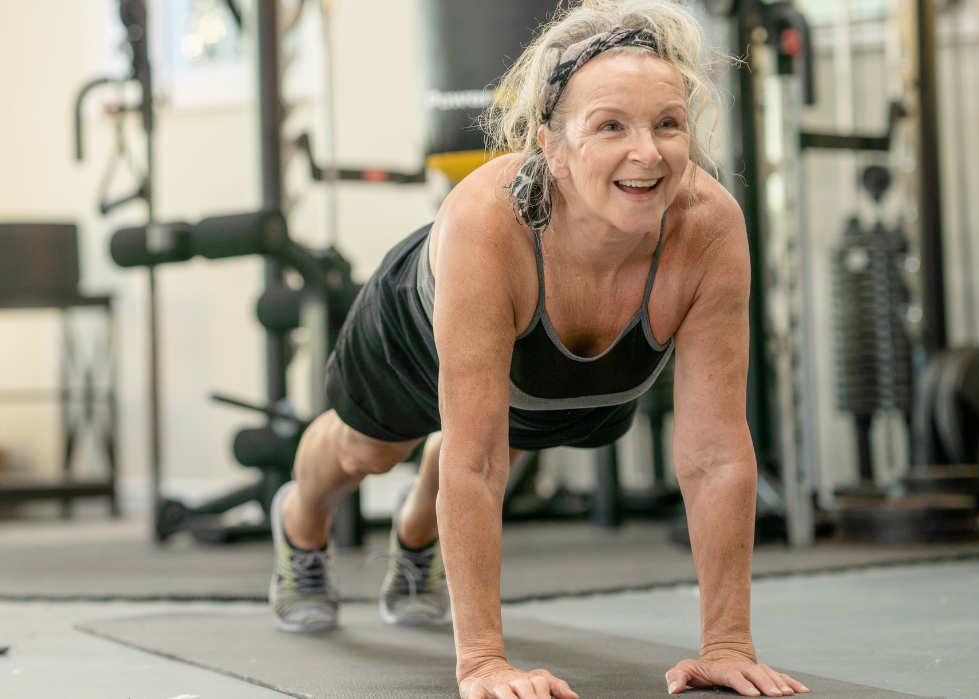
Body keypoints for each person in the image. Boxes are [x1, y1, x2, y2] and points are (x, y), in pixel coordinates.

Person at [267, 1, 810, 697]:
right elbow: (478, 460)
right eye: (610, 126)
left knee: (501, 425)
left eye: (668, 124)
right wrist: (484, 661)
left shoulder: (709, 228)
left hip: (540, 385)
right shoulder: (487, 226)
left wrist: (728, 643)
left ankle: (416, 527)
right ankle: (300, 519)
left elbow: (714, 452)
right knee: (370, 450)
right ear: (549, 147)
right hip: (418, 321)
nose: (647, 153)